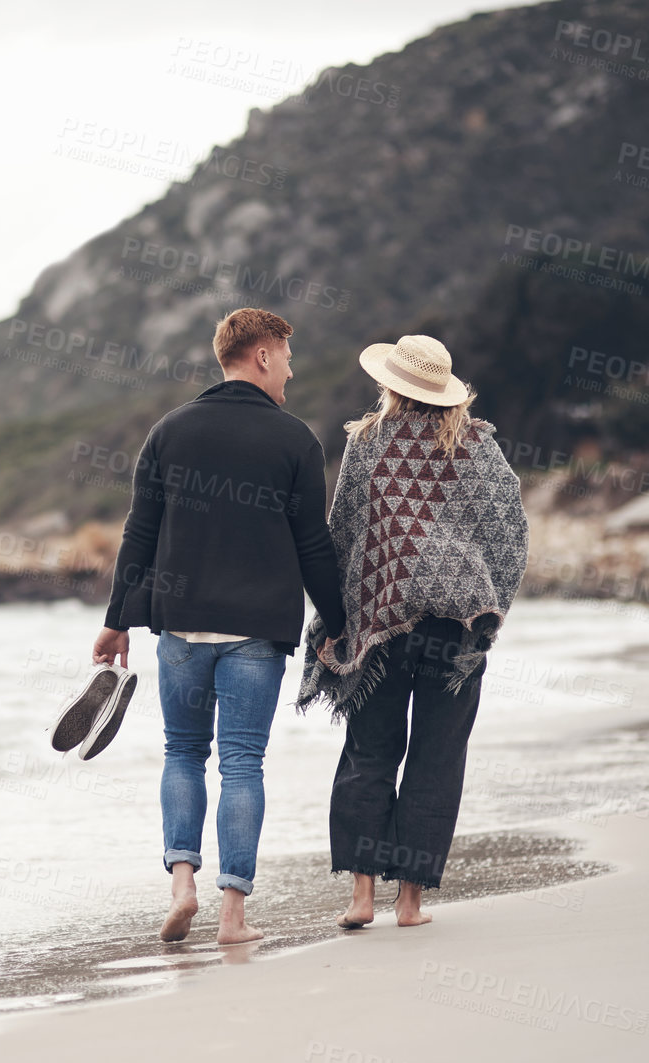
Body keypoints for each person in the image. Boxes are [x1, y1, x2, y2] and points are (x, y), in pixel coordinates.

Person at [92, 308, 346, 945]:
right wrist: (339, 620)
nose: (291, 369)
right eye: (287, 356)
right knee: (241, 763)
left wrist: (118, 619)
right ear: (261, 356)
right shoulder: (295, 441)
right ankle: (233, 916)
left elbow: (139, 534)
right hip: (257, 632)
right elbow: (313, 545)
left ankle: (182, 883)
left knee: (183, 753)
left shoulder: (169, 432)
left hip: (181, 627)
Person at [296, 334, 529, 928]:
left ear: (392, 385)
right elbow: (510, 536)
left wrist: (334, 620)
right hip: (454, 633)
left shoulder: (368, 443)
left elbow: (343, 534)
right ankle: (411, 903)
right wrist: (490, 609)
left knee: (369, 751)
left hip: (379, 627)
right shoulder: (479, 448)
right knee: (437, 755)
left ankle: (361, 896)